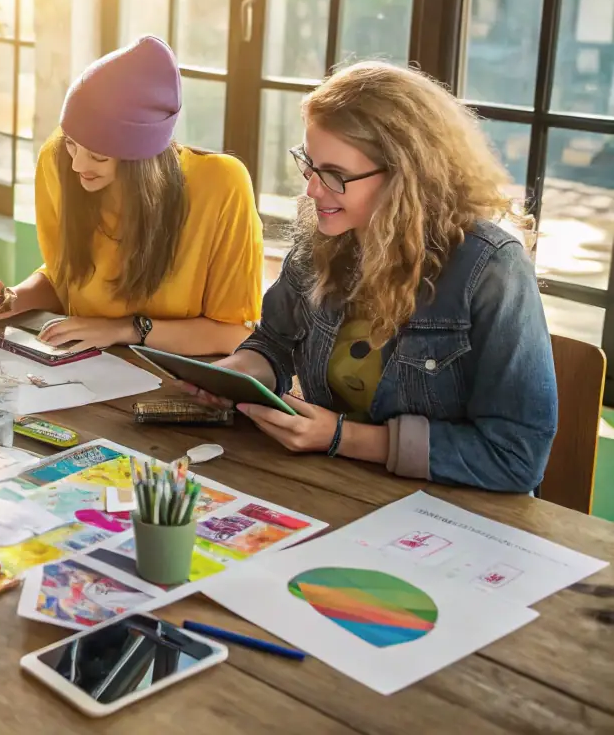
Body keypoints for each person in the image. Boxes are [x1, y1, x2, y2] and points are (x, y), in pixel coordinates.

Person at [208, 62, 557, 493]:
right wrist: (231, 375)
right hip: (336, 488)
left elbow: (517, 458)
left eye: (334, 175)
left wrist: (343, 437)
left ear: (405, 177)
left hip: (455, 515)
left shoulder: (492, 268)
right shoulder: (325, 235)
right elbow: (274, 342)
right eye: (309, 165)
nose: (313, 190)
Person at [0, 36, 263, 355]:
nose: (78, 164)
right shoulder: (58, 162)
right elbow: (66, 276)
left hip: (176, 382)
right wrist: (15, 299)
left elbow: (234, 335)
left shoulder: (221, 184)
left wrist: (124, 329)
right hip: (80, 367)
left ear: (142, 159)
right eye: (71, 142)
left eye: (98, 156)